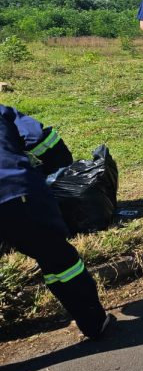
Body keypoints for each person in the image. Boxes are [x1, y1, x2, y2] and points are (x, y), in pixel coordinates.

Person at [0, 104, 112, 339]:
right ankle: (93, 322)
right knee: (59, 259)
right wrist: (53, 174)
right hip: (16, 193)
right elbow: (46, 142)